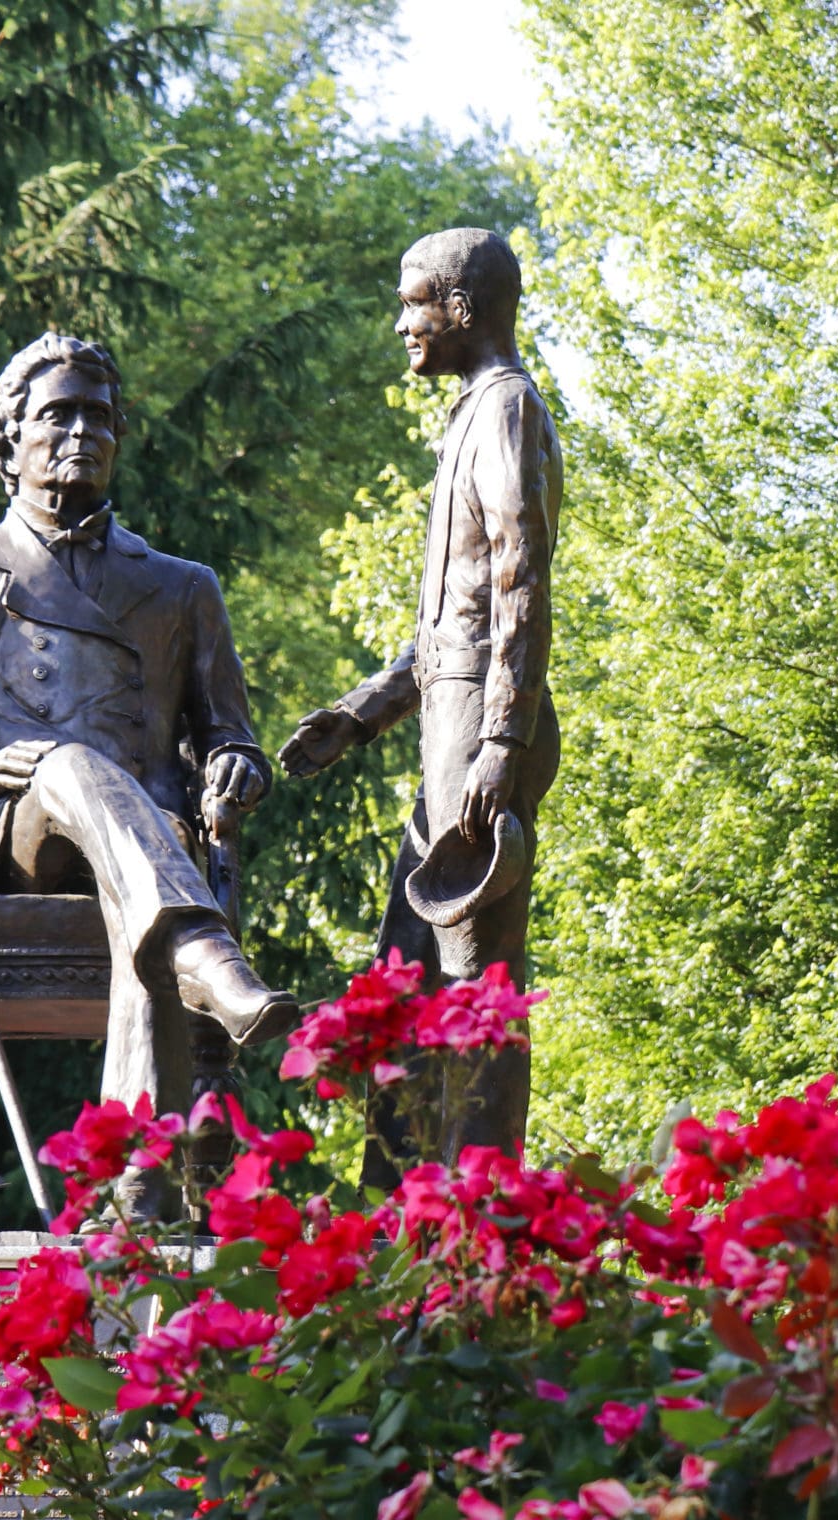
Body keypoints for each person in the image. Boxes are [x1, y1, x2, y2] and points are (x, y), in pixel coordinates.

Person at [0, 333, 298, 1110]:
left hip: (150, 838)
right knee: (69, 763)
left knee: (146, 882)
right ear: (10, 442)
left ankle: (137, 1187)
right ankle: (210, 958)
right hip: (15, 835)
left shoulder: (183, 587)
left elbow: (227, 731)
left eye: (100, 418)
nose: (84, 433)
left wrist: (238, 762)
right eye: (60, 415)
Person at [281, 229, 560, 1169]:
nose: (402, 324)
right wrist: (362, 712)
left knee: (474, 990)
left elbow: (521, 586)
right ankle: (401, 1208)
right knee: (410, 985)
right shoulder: (471, 416)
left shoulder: (508, 409)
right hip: (453, 721)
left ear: (463, 309)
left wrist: (498, 744)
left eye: (414, 304)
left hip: (482, 731)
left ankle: (476, 1221)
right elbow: (456, 620)